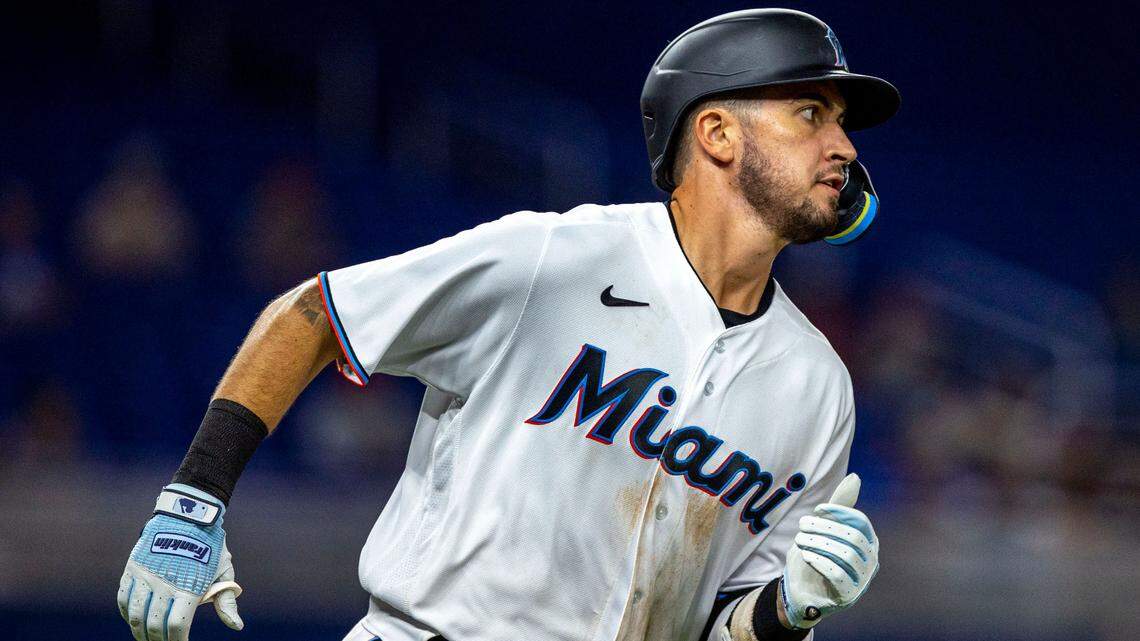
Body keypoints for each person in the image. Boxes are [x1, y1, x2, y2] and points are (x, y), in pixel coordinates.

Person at [117, 8, 899, 641]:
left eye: (840, 123)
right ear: (717, 133)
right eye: (811, 113)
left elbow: (727, 628)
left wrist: (790, 606)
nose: (844, 146)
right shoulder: (558, 257)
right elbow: (316, 314)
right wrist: (195, 498)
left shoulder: (817, 387)